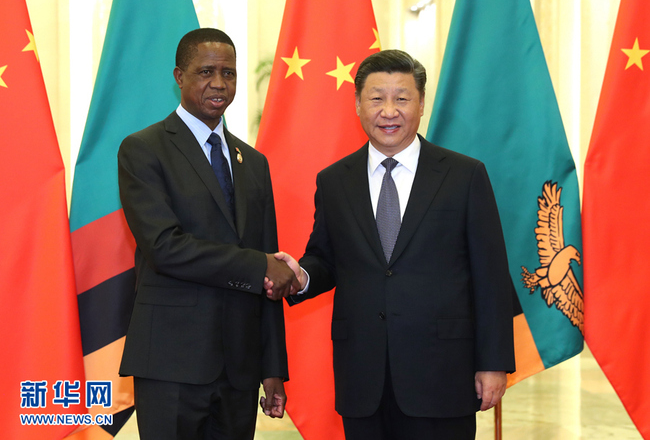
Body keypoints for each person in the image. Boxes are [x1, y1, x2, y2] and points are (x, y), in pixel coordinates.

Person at [267, 49, 515, 439]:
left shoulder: (464, 175)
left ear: (420, 105)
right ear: (357, 104)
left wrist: (494, 363)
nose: (389, 111)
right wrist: (301, 276)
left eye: (402, 98)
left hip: (442, 374)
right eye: (376, 97)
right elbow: (326, 258)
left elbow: (491, 276)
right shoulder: (335, 181)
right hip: (363, 376)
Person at [117, 28, 298, 440]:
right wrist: (258, 265)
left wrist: (272, 368)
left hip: (239, 368)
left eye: (229, 73)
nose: (219, 83)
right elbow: (165, 248)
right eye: (206, 72)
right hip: (170, 362)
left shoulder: (253, 162)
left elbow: (268, 275)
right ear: (180, 76)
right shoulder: (143, 149)